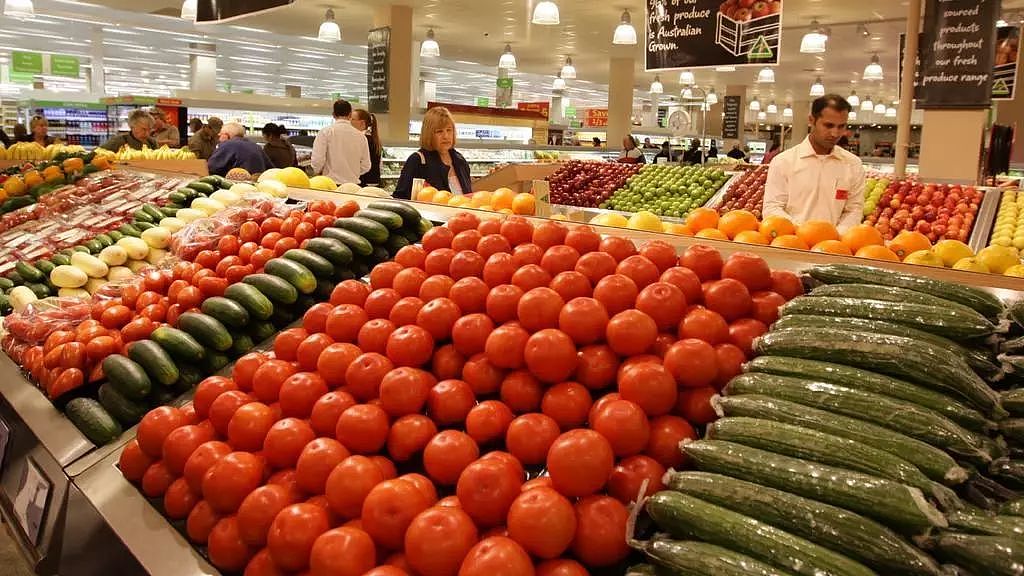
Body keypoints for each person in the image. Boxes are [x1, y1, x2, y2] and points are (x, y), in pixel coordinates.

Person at [763, 94, 865, 234]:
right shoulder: (784, 162)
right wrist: (804, 232)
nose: (835, 133)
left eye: (841, 126)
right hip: (790, 243)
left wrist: (835, 235)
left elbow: (854, 209)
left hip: (833, 247)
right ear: (812, 120)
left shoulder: (853, 164)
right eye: (828, 125)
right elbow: (772, 208)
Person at [394, 106, 472, 200]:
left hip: (462, 214)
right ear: (429, 134)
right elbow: (399, 198)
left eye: (449, 130)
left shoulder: (460, 161)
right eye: (439, 131)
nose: (446, 136)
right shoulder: (418, 161)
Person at [311, 99, 371, 185]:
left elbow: (317, 161)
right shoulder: (361, 136)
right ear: (350, 114)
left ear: (333, 115)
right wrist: (353, 173)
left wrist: (318, 171)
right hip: (353, 186)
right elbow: (366, 166)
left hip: (330, 184)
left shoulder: (325, 132)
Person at [207, 122, 274, 176]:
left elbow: (210, 167)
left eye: (220, 134)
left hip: (236, 186)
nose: (219, 137)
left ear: (226, 135)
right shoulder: (256, 146)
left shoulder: (227, 145)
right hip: (257, 185)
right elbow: (271, 169)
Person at [352, 109, 382, 187]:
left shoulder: (363, 139)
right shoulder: (374, 139)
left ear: (362, 122)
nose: (349, 121)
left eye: (352, 119)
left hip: (364, 182)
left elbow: (364, 165)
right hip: (373, 181)